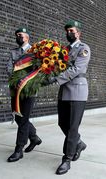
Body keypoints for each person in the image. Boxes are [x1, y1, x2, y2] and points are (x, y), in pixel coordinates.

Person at [45, 20, 91, 175]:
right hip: (64, 91)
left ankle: (67, 159)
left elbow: (77, 68)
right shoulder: (62, 50)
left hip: (77, 91)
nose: (69, 33)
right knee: (62, 123)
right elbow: (56, 66)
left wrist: (56, 79)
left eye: (71, 31)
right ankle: (78, 143)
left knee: (72, 127)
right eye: (67, 31)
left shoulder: (83, 48)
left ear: (78, 33)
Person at [6, 27, 42, 162]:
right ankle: (34, 138)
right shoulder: (13, 52)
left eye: (20, 35)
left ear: (27, 37)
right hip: (15, 89)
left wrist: (26, 81)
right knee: (18, 117)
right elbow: (9, 68)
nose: (18, 37)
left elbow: (38, 71)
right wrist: (17, 80)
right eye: (17, 35)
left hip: (29, 90)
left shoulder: (36, 52)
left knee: (24, 118)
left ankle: (18, 149)